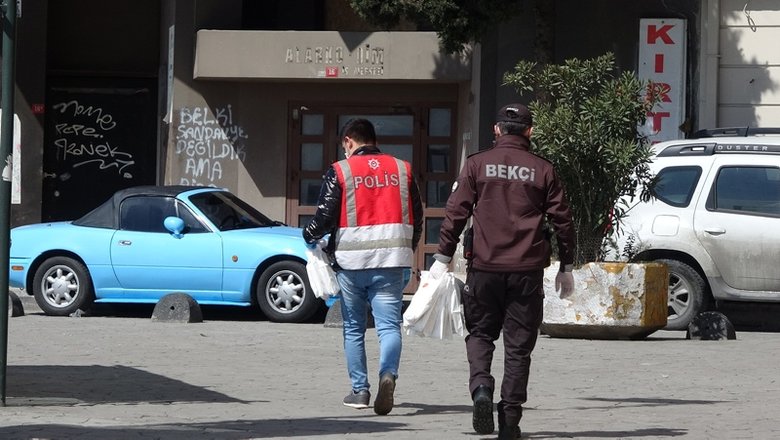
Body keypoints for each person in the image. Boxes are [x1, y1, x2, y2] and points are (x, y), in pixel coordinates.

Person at [428, 104, 576, 439]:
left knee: (480, 334)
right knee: (519, 347)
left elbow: (456, 212)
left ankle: (481, 388)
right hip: (527, 271)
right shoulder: (543, 169)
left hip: (484, 268)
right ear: (530, 131)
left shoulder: (476, 164)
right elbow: (563, 221)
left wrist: (442, 257)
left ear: (496, 130)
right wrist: (566, 266)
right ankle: (510, 420)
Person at [303, 118, 423, 415]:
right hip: (392, 262)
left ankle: (360, 392)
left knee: (354, 329)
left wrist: (308, 235)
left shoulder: (340, 170)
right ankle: (388, 374)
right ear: (374, 140)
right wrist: (406, 248)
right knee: (389, 326)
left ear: (348, 141)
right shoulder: (402, 169)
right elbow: (417, 217)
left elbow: (325, 217)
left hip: (352, 264)